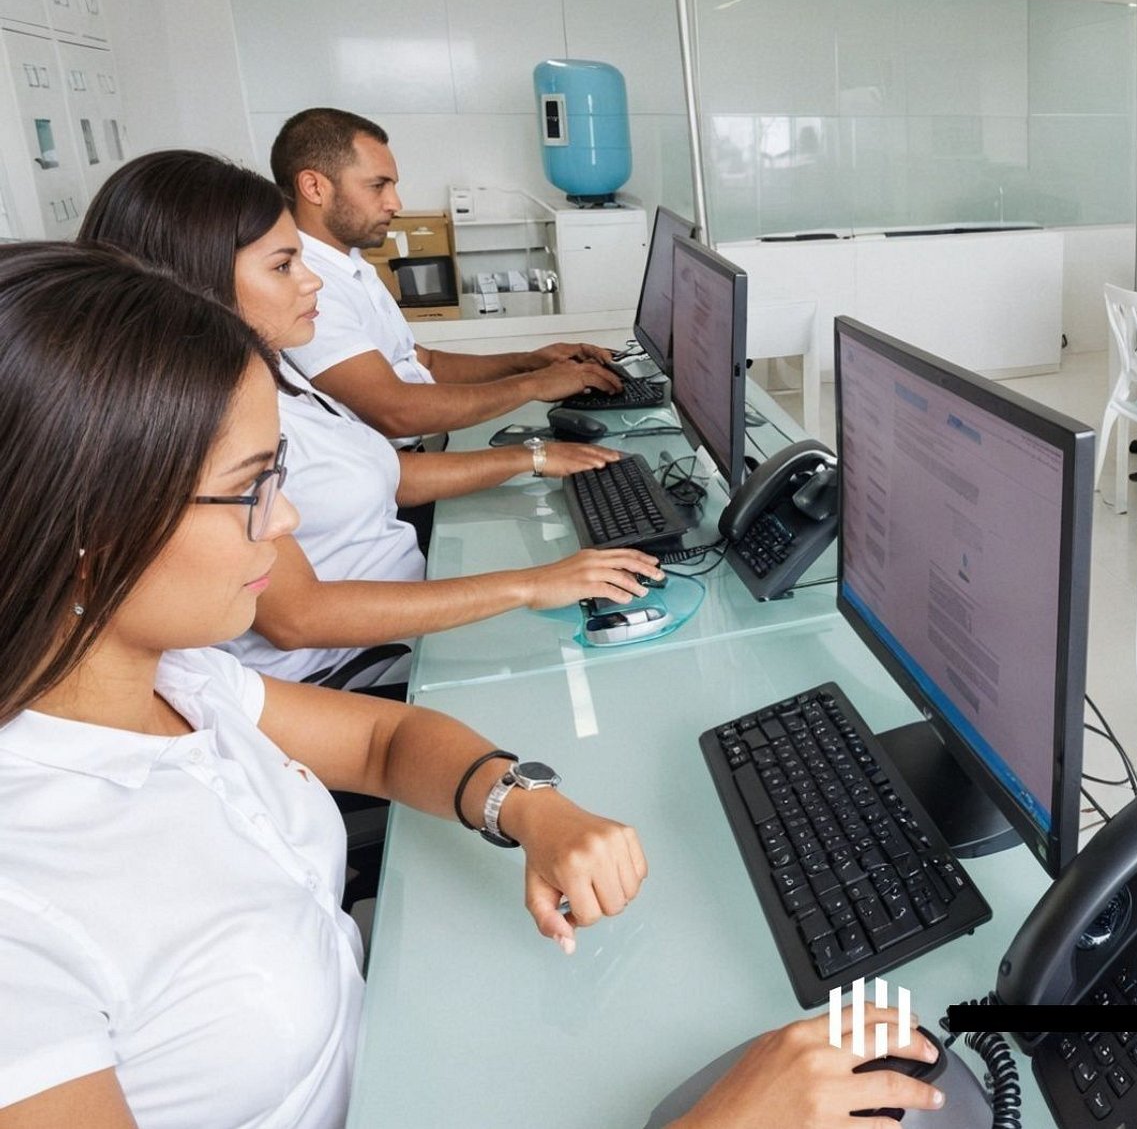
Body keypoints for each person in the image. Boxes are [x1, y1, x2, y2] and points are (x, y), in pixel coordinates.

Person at [0, 244, 944, 1129]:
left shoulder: (175, 680)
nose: (284, 519)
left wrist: (526, 804)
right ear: (92, 532)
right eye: (251, 487)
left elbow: (382, 741)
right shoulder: (24, 907)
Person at [79, 151, 663, 689]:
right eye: (283, 266)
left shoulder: (274, 378)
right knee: (611, 666)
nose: (311, 280)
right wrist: (528, 585)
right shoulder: (204, 426)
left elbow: (384, 470)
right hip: (349, 667)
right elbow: (297, 618)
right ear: (193, 281)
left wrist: (532, 458)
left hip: (402, 615)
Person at [271, 107, 625, 441]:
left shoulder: (349, 263)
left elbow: (424, 363)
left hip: (420, 448)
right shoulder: (307, 285)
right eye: (378, 185)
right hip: (396, 469)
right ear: (314, 187)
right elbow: (395, 412)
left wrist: (529, 362)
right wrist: (533, 385)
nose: (395, 203)